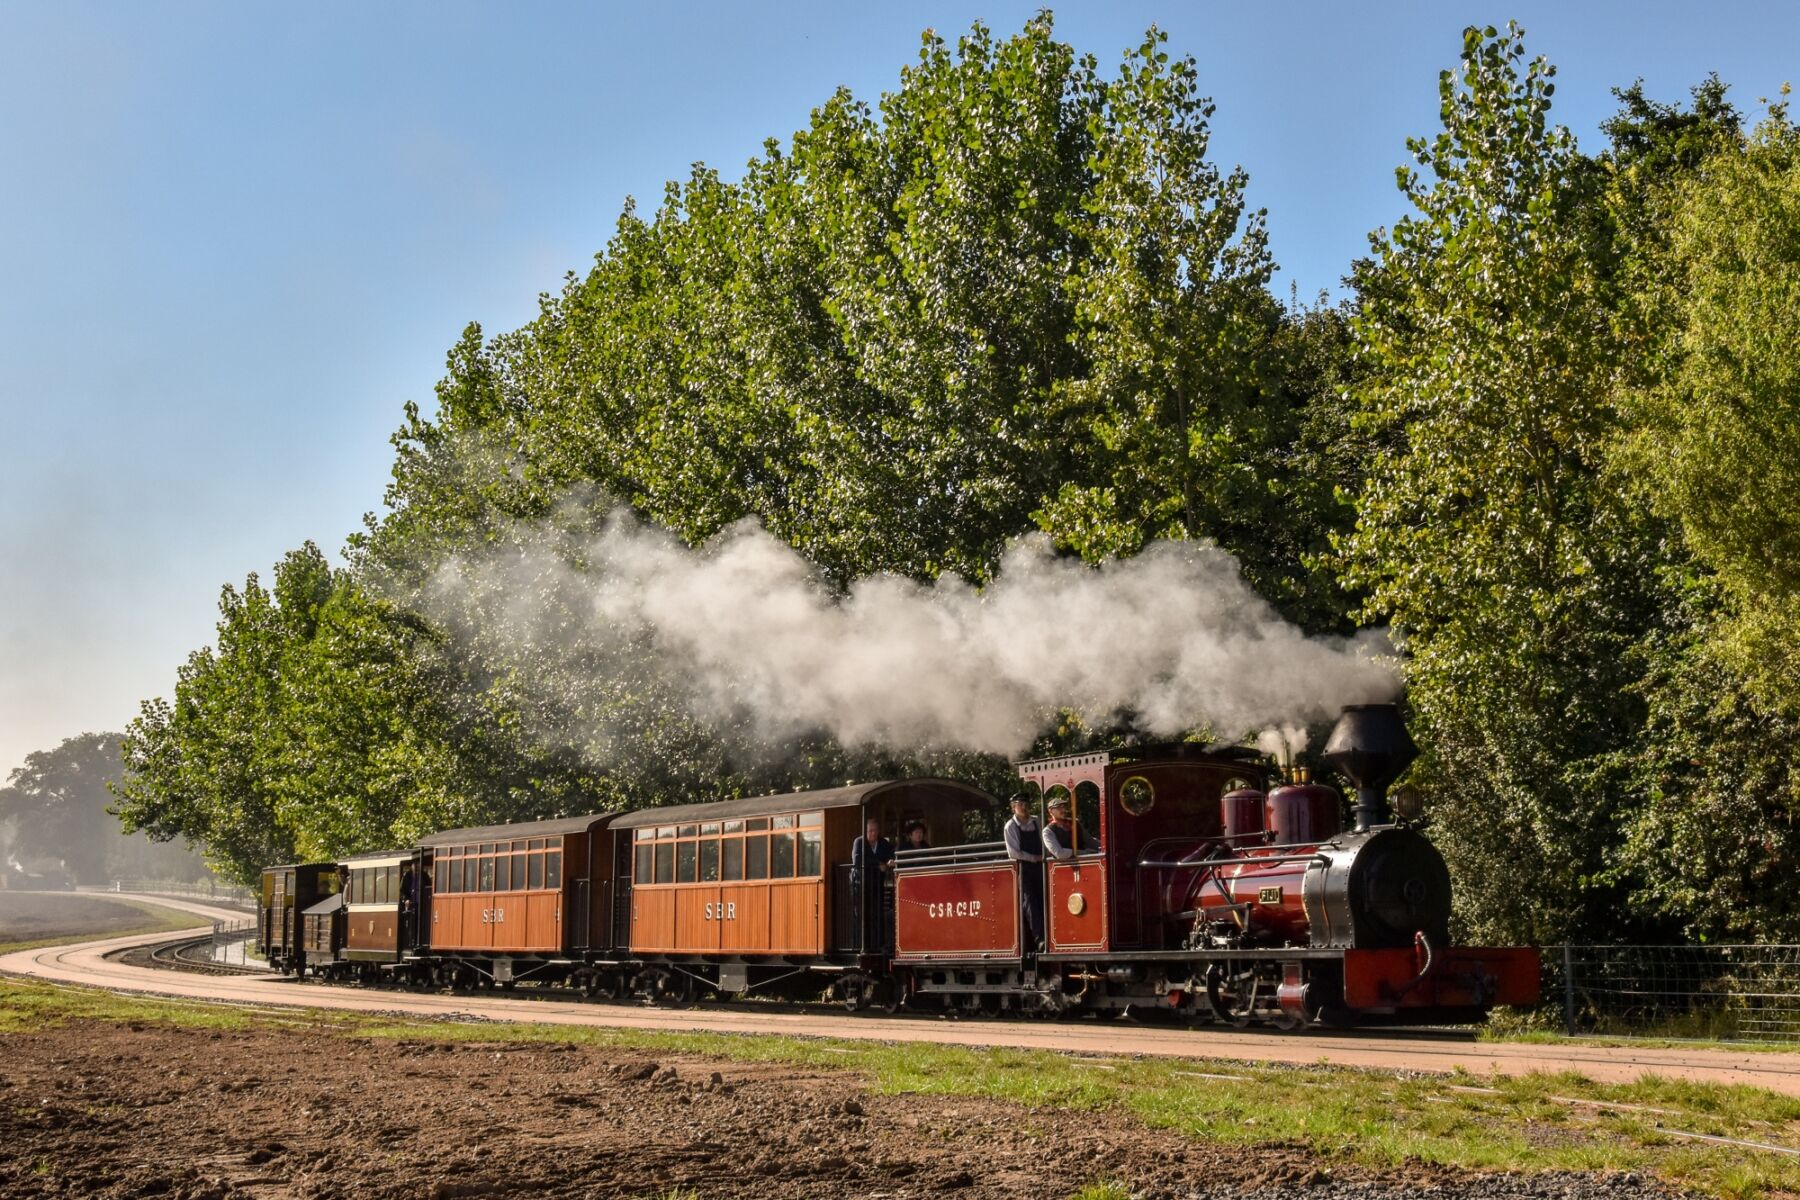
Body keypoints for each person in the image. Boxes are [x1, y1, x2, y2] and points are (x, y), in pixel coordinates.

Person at [1003, 794, 1045, 951]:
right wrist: (1034, 857)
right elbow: (1013, 853)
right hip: (1024, 868)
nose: (1024, 807)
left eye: (1026, 803)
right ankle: (1039, 938)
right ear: (1014, 807)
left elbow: (1044, 841)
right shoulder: (1010, 827)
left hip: (1040, 865)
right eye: (1020, 804)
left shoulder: (1036, 821)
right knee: (1030, 902)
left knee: (1044, 898)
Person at [850, 817, 895, 952]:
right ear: (865, 831)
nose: (872, 833)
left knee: (878, 913)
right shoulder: (859, 842)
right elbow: (857, 860)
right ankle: (860, 946)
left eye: (875, 830)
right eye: (870, 831)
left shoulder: (883, 843)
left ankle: (877, 945)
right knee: (862, 914)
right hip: (860, 884)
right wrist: (878, 865)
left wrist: (890, 861)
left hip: (876, 883)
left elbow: (891, 854)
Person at [1042, 795, 1091, 860]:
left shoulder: (1075, 823)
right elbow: (1060, 853)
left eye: (1064, 807)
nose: (1063, 810)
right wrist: (1084, 853)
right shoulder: (1048, 831)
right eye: (1059, 807)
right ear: (1050, 811)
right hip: (1064, 867)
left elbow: (1090, 841)